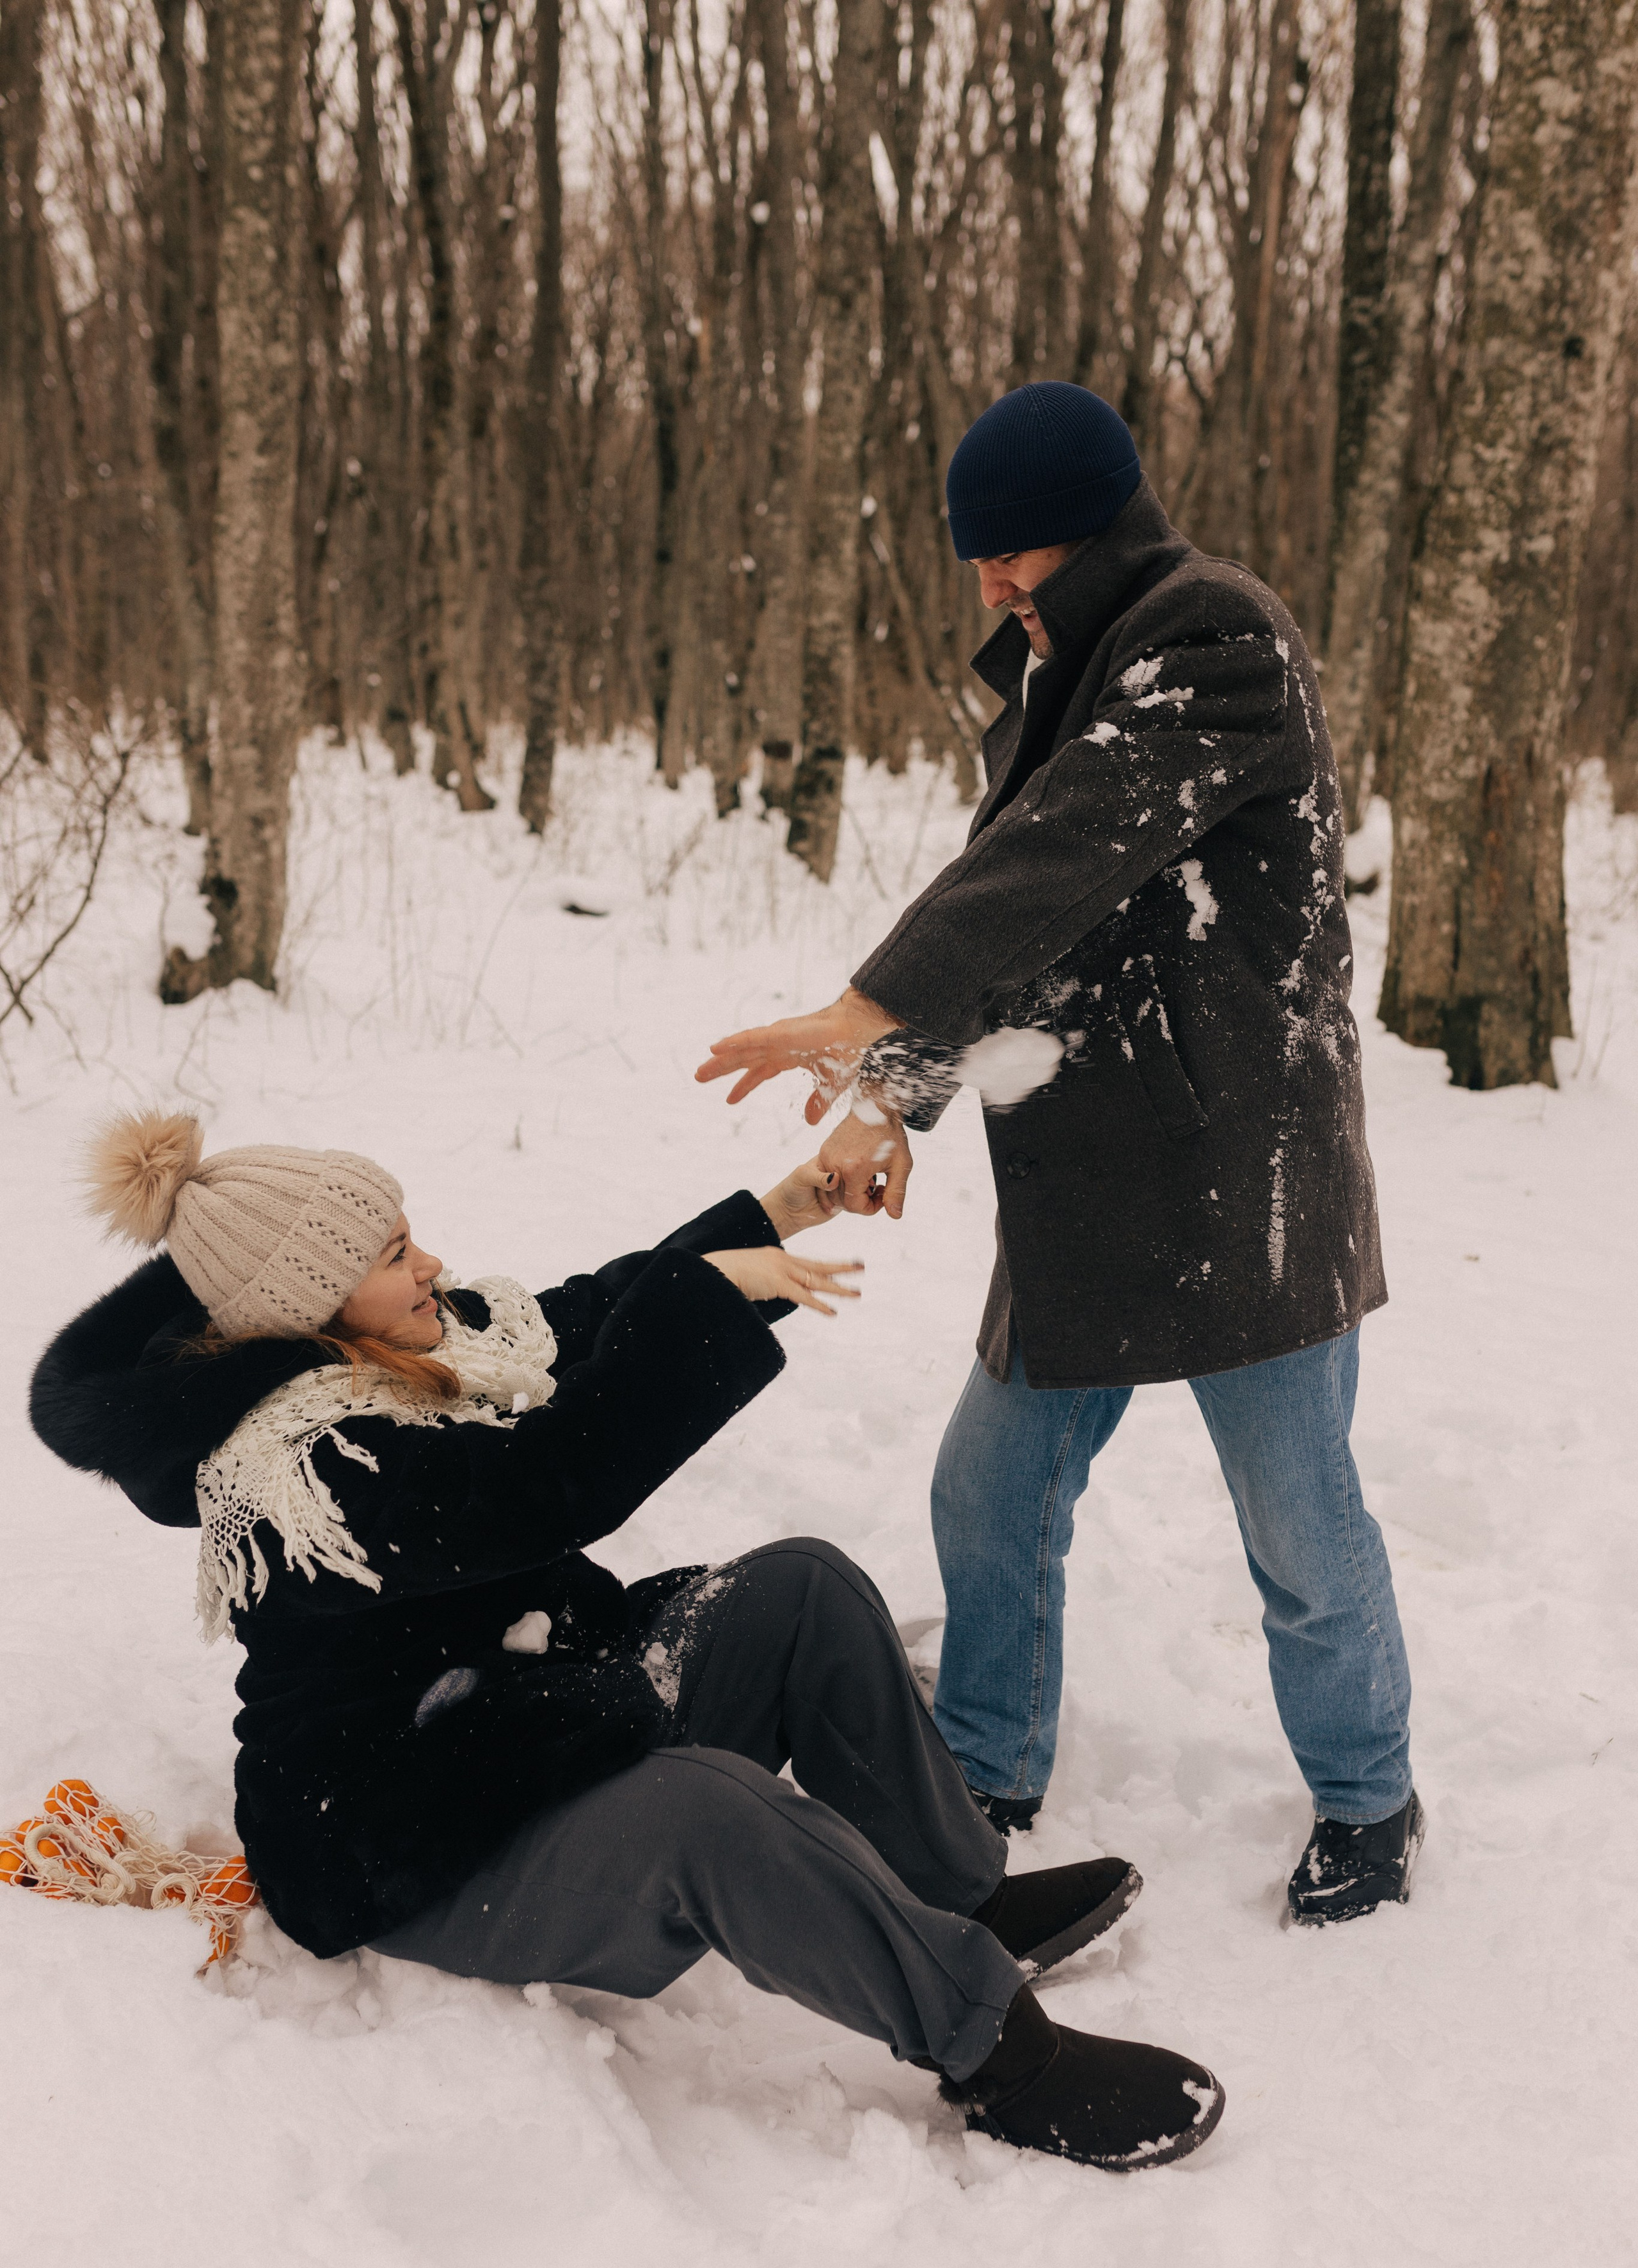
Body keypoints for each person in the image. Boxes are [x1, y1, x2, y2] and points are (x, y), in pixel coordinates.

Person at [28, 1109, 1225, 2173]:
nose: (429, 1263)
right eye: (393, 1255)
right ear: (309, 1306)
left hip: (528, 1722)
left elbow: (581, 1320)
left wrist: (781, 1209)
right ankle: (1000, 2055)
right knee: (705, 1811)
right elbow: (553, 1483)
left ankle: (957, 1894)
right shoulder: (309, 1472)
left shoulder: (407, 1355)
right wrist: (709, 1297)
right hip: (414, 1838)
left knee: (800, 1588)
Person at [698, 380, 1422, 1926]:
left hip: (1242, 1177)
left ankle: (1369, 1800)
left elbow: (1062, 848)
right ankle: (985, 1758)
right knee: (989, 1489)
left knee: (1298, 1531)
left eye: (1008, 556)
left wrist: (863, 1005)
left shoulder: (1215, 640)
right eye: (975, 560)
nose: (988, 589)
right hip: (1088, 1177)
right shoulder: (1064, 665)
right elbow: (1032, 914)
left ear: (1090, 531)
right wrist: (891, 1091)